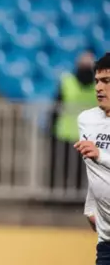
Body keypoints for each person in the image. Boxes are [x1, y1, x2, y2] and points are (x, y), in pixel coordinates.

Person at [72, 52, 110, 265]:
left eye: (107, 81)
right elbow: (92, 170)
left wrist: (101, 155)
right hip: (107, 237)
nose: (99, 87)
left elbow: (98, 158)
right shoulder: (87, 120)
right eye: (97, 81)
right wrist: (90, 206)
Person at [49, 51, 97, 192]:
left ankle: (72, 195)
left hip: (84, 135)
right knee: (63, 167)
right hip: (67, 132)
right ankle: (61, 194)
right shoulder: (67, 81)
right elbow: (56, 105)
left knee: (79, 170)